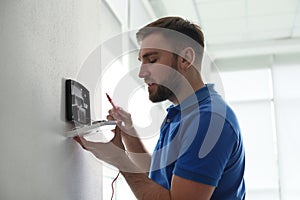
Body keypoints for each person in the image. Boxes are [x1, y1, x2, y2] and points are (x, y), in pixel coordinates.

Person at [74, 16, 246, 200]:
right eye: (141, 61)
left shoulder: (208, 119)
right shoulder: (181, 114)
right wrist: (130, 135)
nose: (141, 73)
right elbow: (160, 177)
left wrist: (119, 160)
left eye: (152, 60)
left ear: (186, 59)